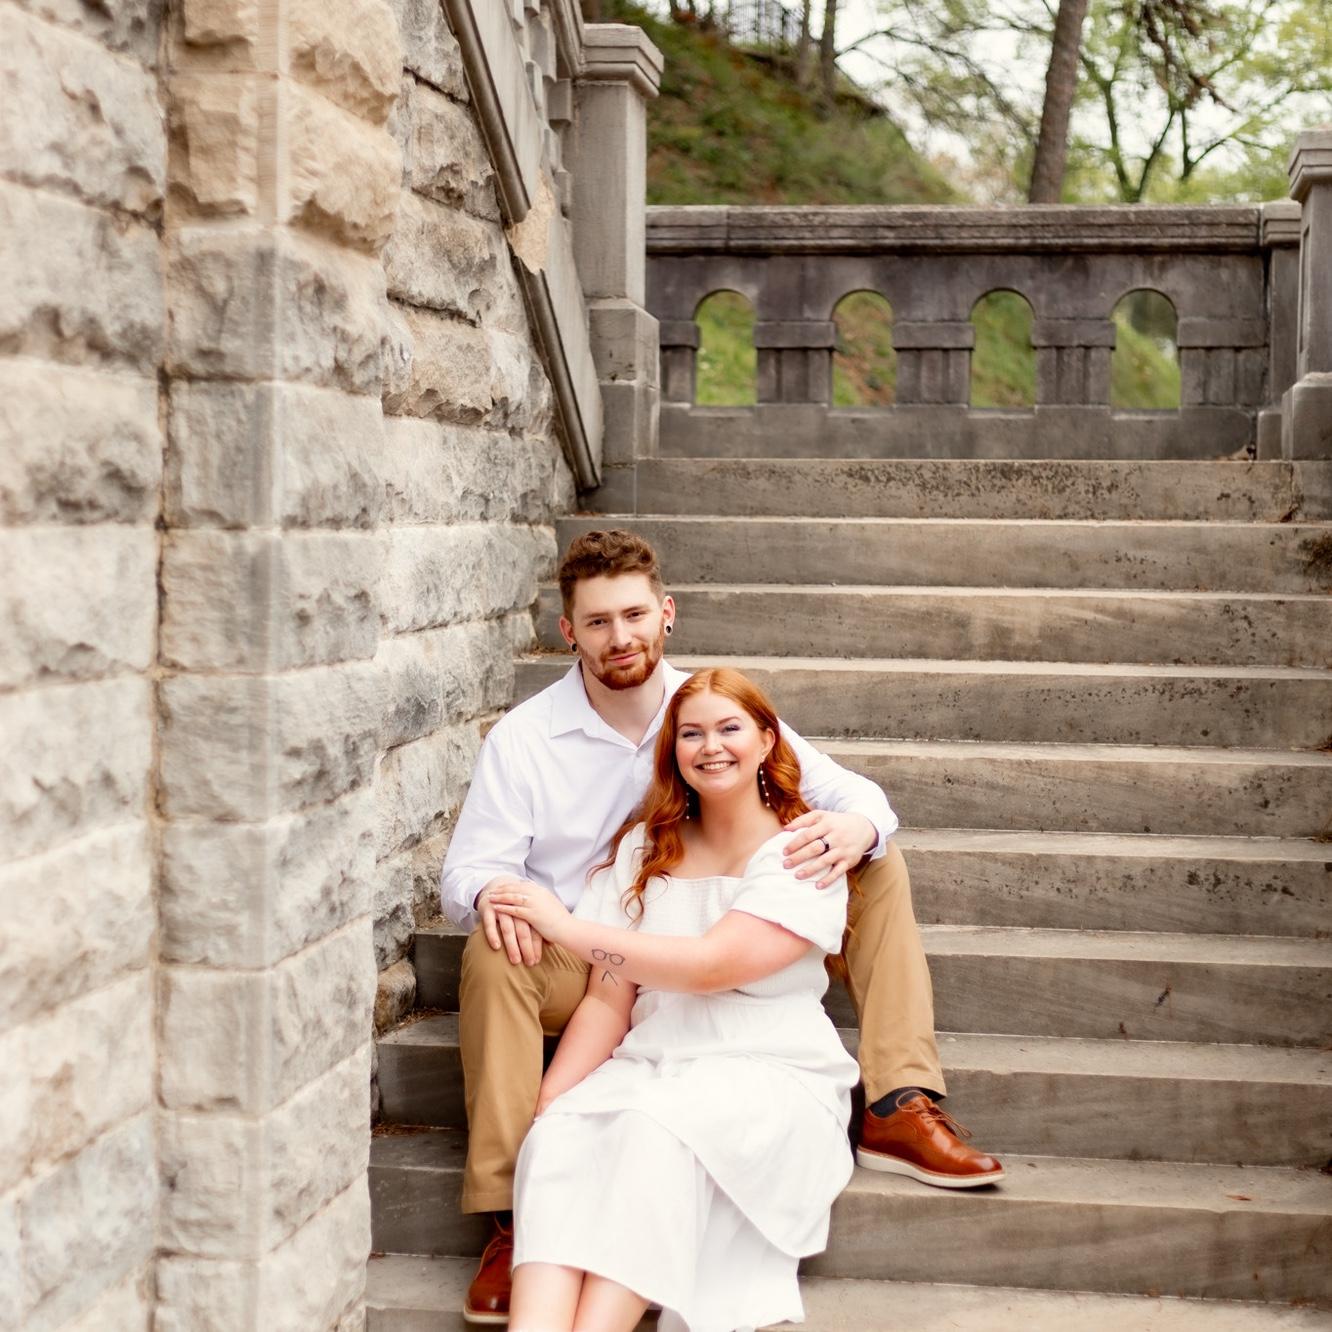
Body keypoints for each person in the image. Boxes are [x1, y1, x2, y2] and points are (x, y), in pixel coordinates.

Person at [440, 529, 1002, 1326]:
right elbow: (467, 871)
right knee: (493, 948)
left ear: (665, 614)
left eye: (634, 615)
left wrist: (860, 829)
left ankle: (897, 1099)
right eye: (597, 622)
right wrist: (503, 895)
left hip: (718, 944)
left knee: (876, 861)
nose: (620, 636)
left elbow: (852, 795)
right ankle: (509, 1213)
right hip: (581, 950)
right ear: (569, 632)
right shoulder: (525, 738)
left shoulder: (707, 710)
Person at [486, 668, 860, 1332]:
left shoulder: (803, 849)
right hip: (655, 1056)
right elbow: (608, 995)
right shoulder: (643, 846)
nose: (710, 747)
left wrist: (564, 928)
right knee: (562, 1138)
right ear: (673, 750)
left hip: (768, 1065)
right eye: (691, 734)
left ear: (767, 739)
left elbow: (713, 967)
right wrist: (551, 1099)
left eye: (729, 728)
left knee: (652, 1130)